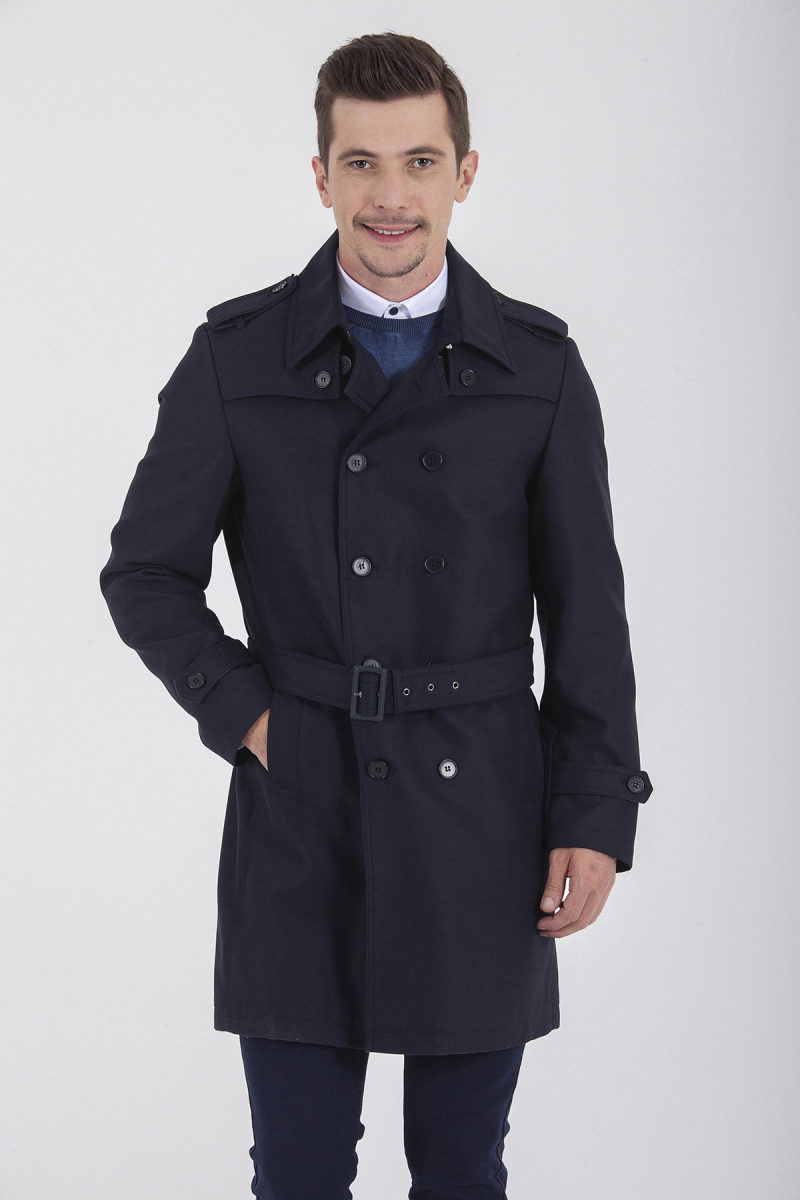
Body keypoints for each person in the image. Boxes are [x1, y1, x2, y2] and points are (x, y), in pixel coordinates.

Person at [99, 31, 653, 1200]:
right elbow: (144, 572)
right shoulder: (236, 358)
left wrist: (595, 811)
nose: (389, 195)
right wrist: (252, 720)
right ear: (320, 177)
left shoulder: (538, 369)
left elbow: (587, 615)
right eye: (360, 163)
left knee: (461, 1171)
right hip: (301, 809)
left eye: (418, 161)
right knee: (297, 1174)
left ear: (463, 173)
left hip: (482, 814)